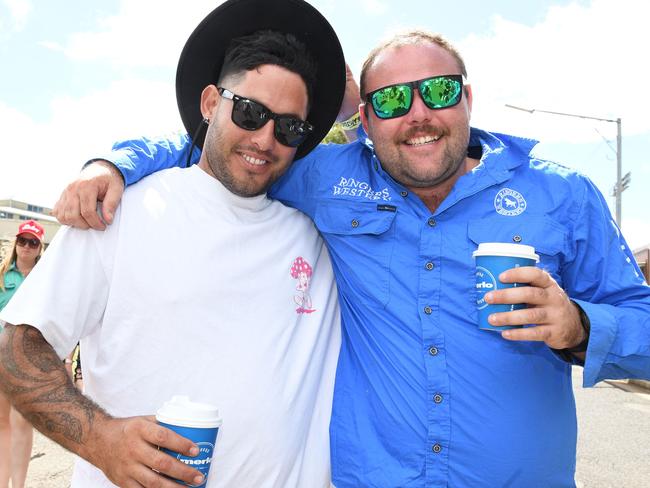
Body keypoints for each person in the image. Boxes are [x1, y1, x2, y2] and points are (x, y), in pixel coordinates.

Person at [50, 30, 650, 487]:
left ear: (467, 98)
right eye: (390, 100)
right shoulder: (326, 178)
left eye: (438, 91)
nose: (417, 114)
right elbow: (226, 145)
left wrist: (579, 325)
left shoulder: (563, 195)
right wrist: (114, 162)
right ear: (364, 119)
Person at [0, 0, 346, 487]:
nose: (266, 139)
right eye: (249, 112)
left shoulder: (318, 238)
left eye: (288, 127)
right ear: (210, 103)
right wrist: (101, 439)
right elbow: (16, 348)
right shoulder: (121, 214)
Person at [0, 220, 45, 488]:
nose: (26, 247)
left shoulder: (45, 278)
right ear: (15, 243)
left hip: (28, 360)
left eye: (33, 242)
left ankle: (18, 485)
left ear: (40, 247)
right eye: (22, 241)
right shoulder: (3, 275)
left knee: (22, 421)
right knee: (2, 421)